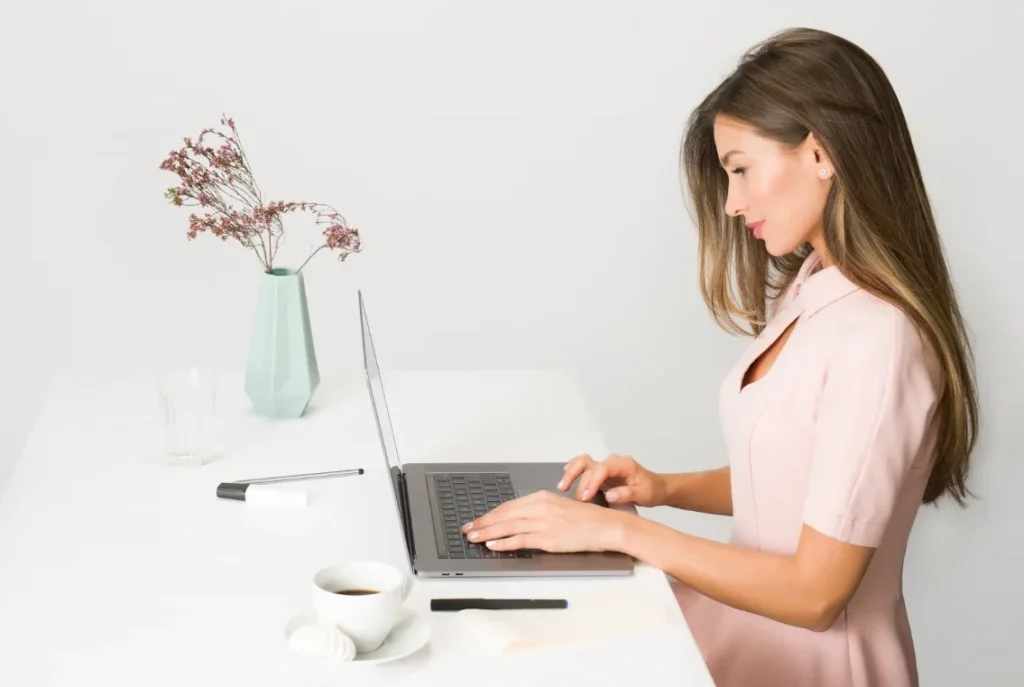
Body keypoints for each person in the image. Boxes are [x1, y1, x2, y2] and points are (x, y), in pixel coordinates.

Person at [460, 26, 979, 687]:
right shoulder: (814, 286)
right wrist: (660, 487)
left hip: (817, 662)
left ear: (820, 153)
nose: (732, 204)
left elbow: (816, 594)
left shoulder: (880, 339)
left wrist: (626, 534)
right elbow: (797, 479)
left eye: (740, 169)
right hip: (744, 629)